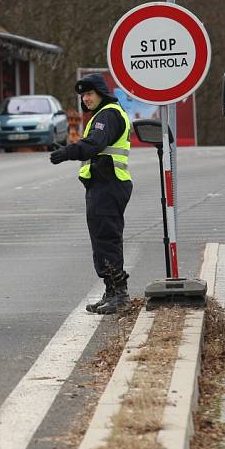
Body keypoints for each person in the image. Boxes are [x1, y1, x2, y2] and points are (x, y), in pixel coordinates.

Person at [49, 73, 132, 315]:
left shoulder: (108, 115)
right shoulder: (103, 114)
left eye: (89, 93)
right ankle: (111, 291)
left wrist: (67, 152)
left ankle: (120, 293)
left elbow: (94, 144)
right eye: (83, 95)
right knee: (101, 239)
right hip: (102, 184)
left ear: (101, 93)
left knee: (107, 239)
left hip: (109, 184)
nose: (85, 98)